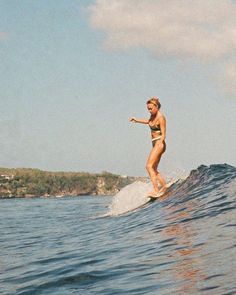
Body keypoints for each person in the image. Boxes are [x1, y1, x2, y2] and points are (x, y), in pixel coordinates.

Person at [129, 97, 167, 197]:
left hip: (159, 143)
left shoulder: (161, 117)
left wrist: (160, 143)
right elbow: (148, 122)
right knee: (153, 168)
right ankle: (164, 186)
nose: (149, 111)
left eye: (150, 109)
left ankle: (156, 190)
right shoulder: (152, 116)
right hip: (155, 143)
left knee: (148, 166)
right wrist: (136, 120)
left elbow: (163, 133)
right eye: (148, 109)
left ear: (157, 107)